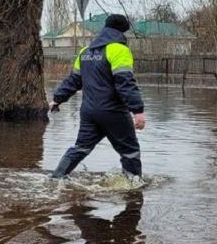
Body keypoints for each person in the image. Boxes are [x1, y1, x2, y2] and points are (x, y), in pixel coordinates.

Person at [49, 13, 146, 179]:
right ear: (123, 32)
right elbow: (125, 83)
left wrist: (57, 99)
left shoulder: (85, 52)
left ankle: (55, 179)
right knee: (130, 152)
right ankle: (134, 188)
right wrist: (138, 111)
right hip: (113, 111)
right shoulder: (119, 49)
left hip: (89, 112)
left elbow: (73, 81)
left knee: (80, 148)